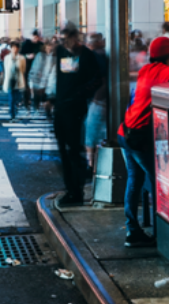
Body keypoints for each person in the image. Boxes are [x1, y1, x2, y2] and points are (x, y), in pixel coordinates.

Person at [119, 36, 169, 247]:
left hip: (125, 132)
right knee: (161, 183)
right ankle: (164, 234)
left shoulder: (146, 70)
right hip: (139, 137)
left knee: (135, 181)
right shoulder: (162, 71)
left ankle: (132, 231)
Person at [53, 22, 101, 207]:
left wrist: (79, 94)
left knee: (73, 150)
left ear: (75, 37)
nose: (65, 43)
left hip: (75, 108)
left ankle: (76, 192)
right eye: (62, 39)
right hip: (60, 106)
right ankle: (70, 189)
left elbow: (97, 79)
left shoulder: (86, 55)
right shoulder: (60, 52)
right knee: (64, 152)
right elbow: (57, 76)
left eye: (67, 39)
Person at [85, 33, 109, 169]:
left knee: (92, 130)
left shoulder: (95, 55)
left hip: (99, 98)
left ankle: (91, 162)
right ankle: (95, 162)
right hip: (104, 98)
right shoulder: (106, 53)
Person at [2, 42, 26, 122]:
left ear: (18, 49)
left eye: (16, 48)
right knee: (11, 99)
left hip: (18, 80)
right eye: (13, 48)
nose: (14, 50)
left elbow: (23, 69)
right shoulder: (7, 58)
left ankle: (15, 110)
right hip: (10, 80)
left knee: (17, 98)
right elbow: (6, 68)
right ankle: (12, 114)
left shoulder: (22, 58)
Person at [20, 30, 43, 109]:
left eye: (36, 37)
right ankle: (26, 101)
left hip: (38, 68)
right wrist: (27, 56)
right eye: (34, 37)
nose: (35, 39)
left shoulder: (41, 45)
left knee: (37, 85)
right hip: (27, 66)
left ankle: (36, 103)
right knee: (26, 86)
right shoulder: (26, 44)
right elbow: (21, 54)